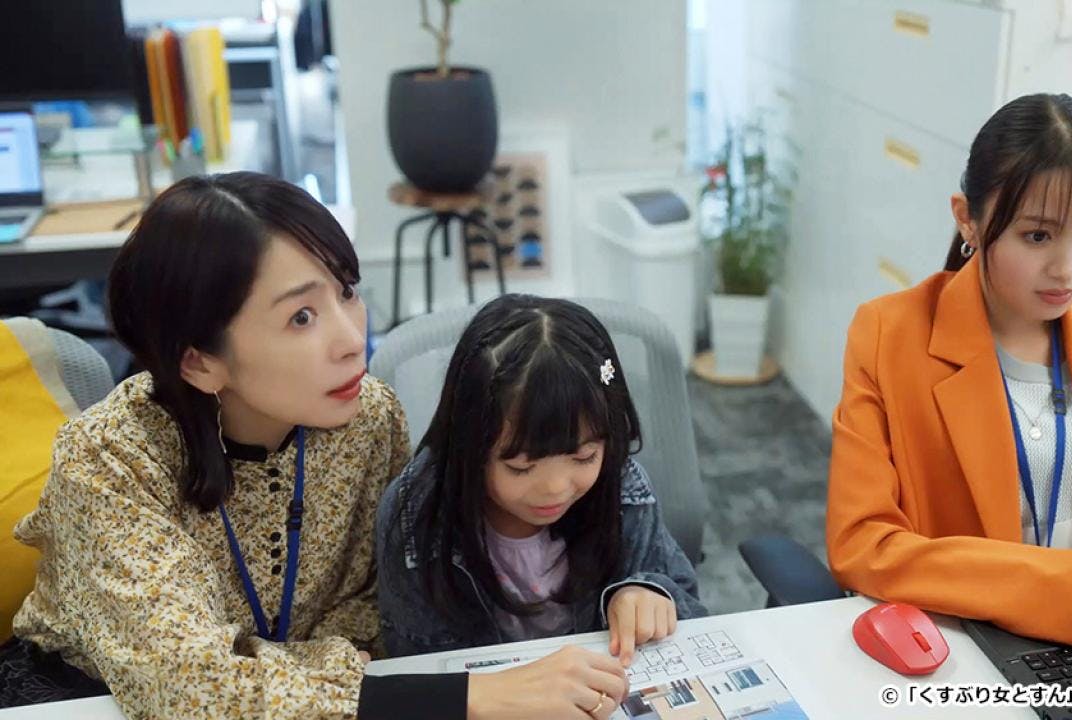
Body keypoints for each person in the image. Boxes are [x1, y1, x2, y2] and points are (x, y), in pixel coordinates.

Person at [0, 172, 628, 719]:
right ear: (199, 361)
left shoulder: (367, 417)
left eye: (347, 291)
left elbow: (368, 605)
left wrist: (279, 669)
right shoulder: (109, 458)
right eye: (301, 317)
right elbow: (186, 687)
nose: (353, 338)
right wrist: (477, 697)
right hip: (87, 701)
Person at [825, 94, 1072, 649]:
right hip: (967, 644)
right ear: (969, 219)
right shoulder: (890, 334)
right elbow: (862, 545)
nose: (1068, 270)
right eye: (1038, 236)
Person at [377, 295, 707, 674]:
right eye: (521, 467)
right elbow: (417, 673)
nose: (555, 488)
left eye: (584, 457)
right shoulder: (416, 517)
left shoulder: (622, 488)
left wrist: (646, 593)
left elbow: (688, 600)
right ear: (468, 445)